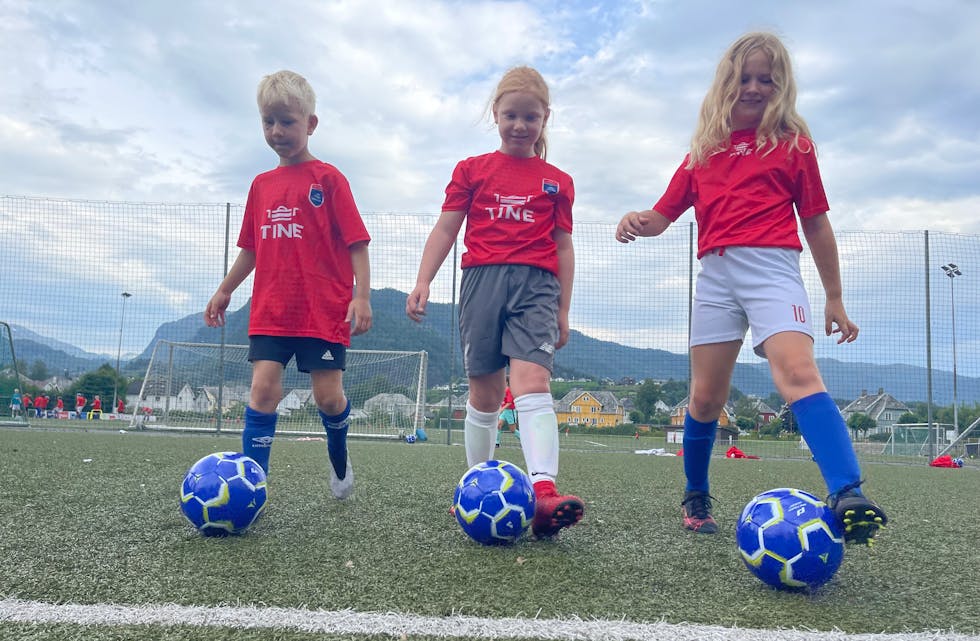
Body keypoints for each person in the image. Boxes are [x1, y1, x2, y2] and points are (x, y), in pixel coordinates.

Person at [615, 32, 887, 545]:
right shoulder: (702, 154)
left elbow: (817, 223)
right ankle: (696, 493)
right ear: (725, 84)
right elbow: (663, 215)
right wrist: (637, 219)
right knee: (704, 397)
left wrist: (833, 296)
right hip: (715, 276)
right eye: (745, 78)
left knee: (799, 373)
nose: (756, 87)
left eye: (768, 78)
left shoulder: (793, 146)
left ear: (781, 86)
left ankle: (847, 492)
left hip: (773, 270)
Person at [406, 66, 583, 539]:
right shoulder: (471, 170)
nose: (520, 125)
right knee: (484, 394)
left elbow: (563, 246)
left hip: (538, 287)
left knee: (532, 382)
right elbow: (447, 228)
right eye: (511, 115)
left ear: (546, 118)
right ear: (496, 115)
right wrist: (423, 280)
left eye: (531, 117)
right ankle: (476, 489)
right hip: (481, 283)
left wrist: (563, 308)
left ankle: (544, 493)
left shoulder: (558, 181)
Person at [205, 70, 371, 500]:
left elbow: (357, 242)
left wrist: (362, 295)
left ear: (310, 123)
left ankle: (339, 457)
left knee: (328, 398)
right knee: (263, 389)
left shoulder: (329, 180)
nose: (277, 131)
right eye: (268, 122)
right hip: (272, 309)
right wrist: (225, 289)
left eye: (287, 121)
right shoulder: (260, 186)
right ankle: (252, 488)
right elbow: (251, 249)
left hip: (323, 310)